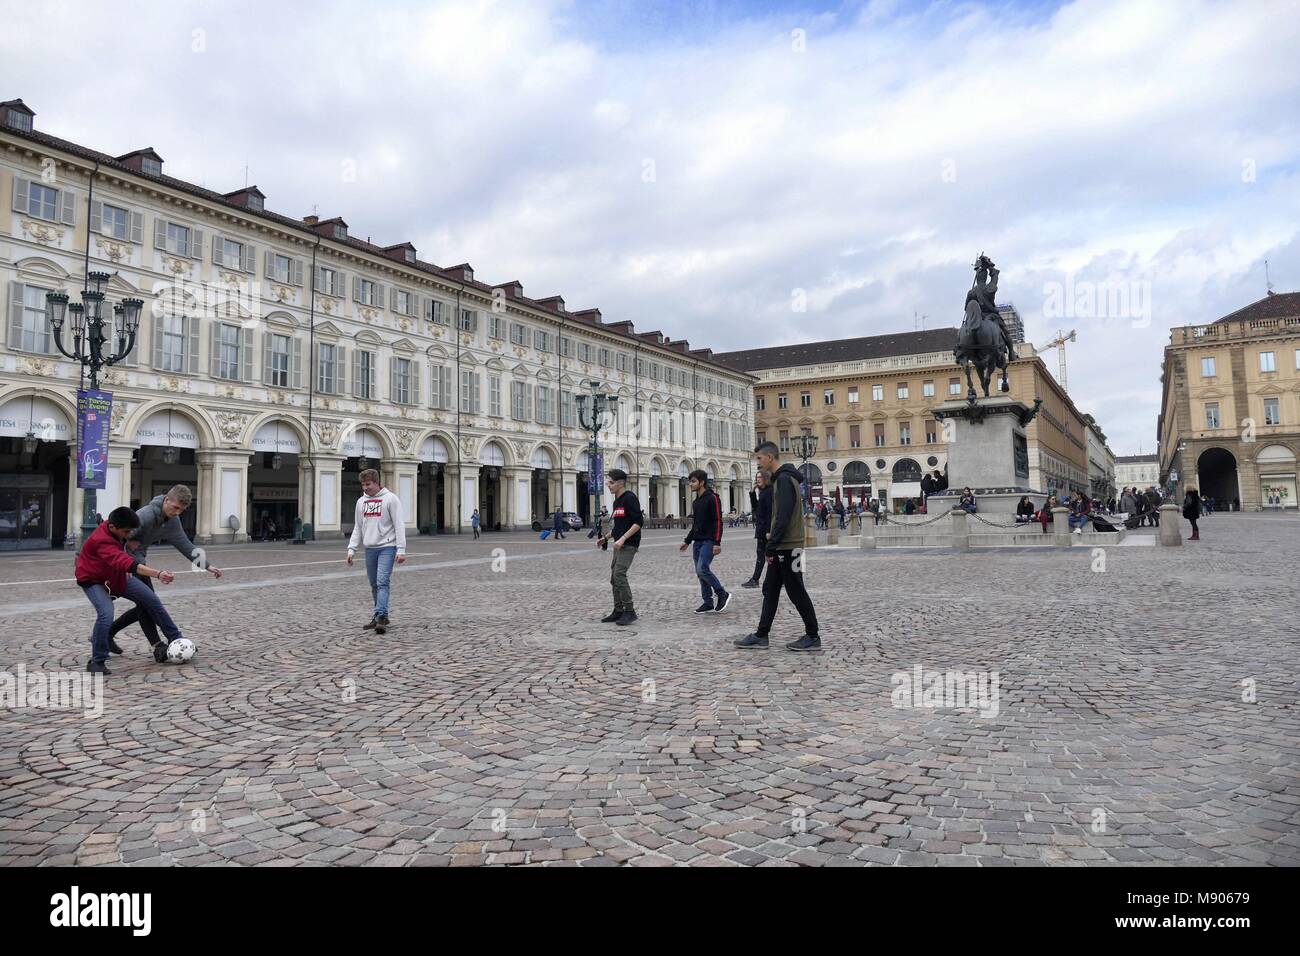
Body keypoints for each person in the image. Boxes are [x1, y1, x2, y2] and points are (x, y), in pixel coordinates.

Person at [108, 484, 223, 660]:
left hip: (139, 563)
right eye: (175, 507)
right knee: (149, 603)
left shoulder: (172, 521)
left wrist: (206, 565)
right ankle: (163, 644)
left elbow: (184, 544)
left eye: (181, 510)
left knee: (146, 604)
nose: (177, 512)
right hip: (125, 566)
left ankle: (108, 634)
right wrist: (124, 556)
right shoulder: (145, 515)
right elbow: (116, 537)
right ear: (167, 500)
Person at [76, 507, 187, 676]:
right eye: (126, 532)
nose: (129, 534)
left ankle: (176, 639)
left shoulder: (117, 530)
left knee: (151, 599)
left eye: (131, 531)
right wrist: (158, 574)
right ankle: (97, 662)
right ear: (112, 527)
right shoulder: (101, 540)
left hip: (116, 577)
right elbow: (125, 562)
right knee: (106, 613)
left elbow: (124, 554)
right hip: (94, 581)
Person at [734, 442, 821, 652]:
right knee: (770, 589)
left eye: (759, 459)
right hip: (784, 544)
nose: (758, 463)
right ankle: (761, 635)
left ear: (770, 458)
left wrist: (771, 546)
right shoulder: (781, 479)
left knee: (796, 590)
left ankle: (813, 635)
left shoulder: (783, 479)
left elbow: (783, 515)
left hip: (789, 546)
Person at [346, 468, 407, 635]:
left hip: (387, 547)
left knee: (382, 582)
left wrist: (401, 549)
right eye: (363, 485)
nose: (365, 488)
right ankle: (382, 614)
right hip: (370, 548)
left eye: (368, 484)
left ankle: (379, 617)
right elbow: (358, 527)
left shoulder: (391, 499)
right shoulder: (361, 502)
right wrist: (351, 549)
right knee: (374, 584)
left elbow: (399, 525)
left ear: (377, 483)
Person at [680, 469, 731, 613]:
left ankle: (722, 593)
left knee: (702, 568)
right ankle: (707, 602)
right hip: (697, 541)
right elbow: (696, 524)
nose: (690, 484)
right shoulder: (696, 502)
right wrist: (687, 541)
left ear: (702, 482)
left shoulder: (713, 498)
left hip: (709, 540)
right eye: (690, 481)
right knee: (700, 572)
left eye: (693, 481)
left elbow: (718, 521)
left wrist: (717, 542)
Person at [599, 468, 643, 626]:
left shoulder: (630, 498)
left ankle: (630, 611)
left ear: (620, 483)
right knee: (614, 578)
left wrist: (623, 539)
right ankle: (618, 611)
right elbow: (619, 526)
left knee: (619, 575)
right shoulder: (617, 501)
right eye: (608, 482)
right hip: (619, 544)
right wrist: (605, 538)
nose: (608, 485)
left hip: (629, 544)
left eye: (611, 482)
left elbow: (638, 522)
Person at [742, 469, 773, 588]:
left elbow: (770, 513)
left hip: (765, 530)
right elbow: (756, 507)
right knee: (764, 555)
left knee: (764, 555)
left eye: (760, 477)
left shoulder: (769, 492)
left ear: (766, 478)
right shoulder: (764, 492)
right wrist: (752, 492)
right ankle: (756, 579)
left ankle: (755, 579)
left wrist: (769, 530)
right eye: (757, 477)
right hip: (762, 529)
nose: (758, 479)